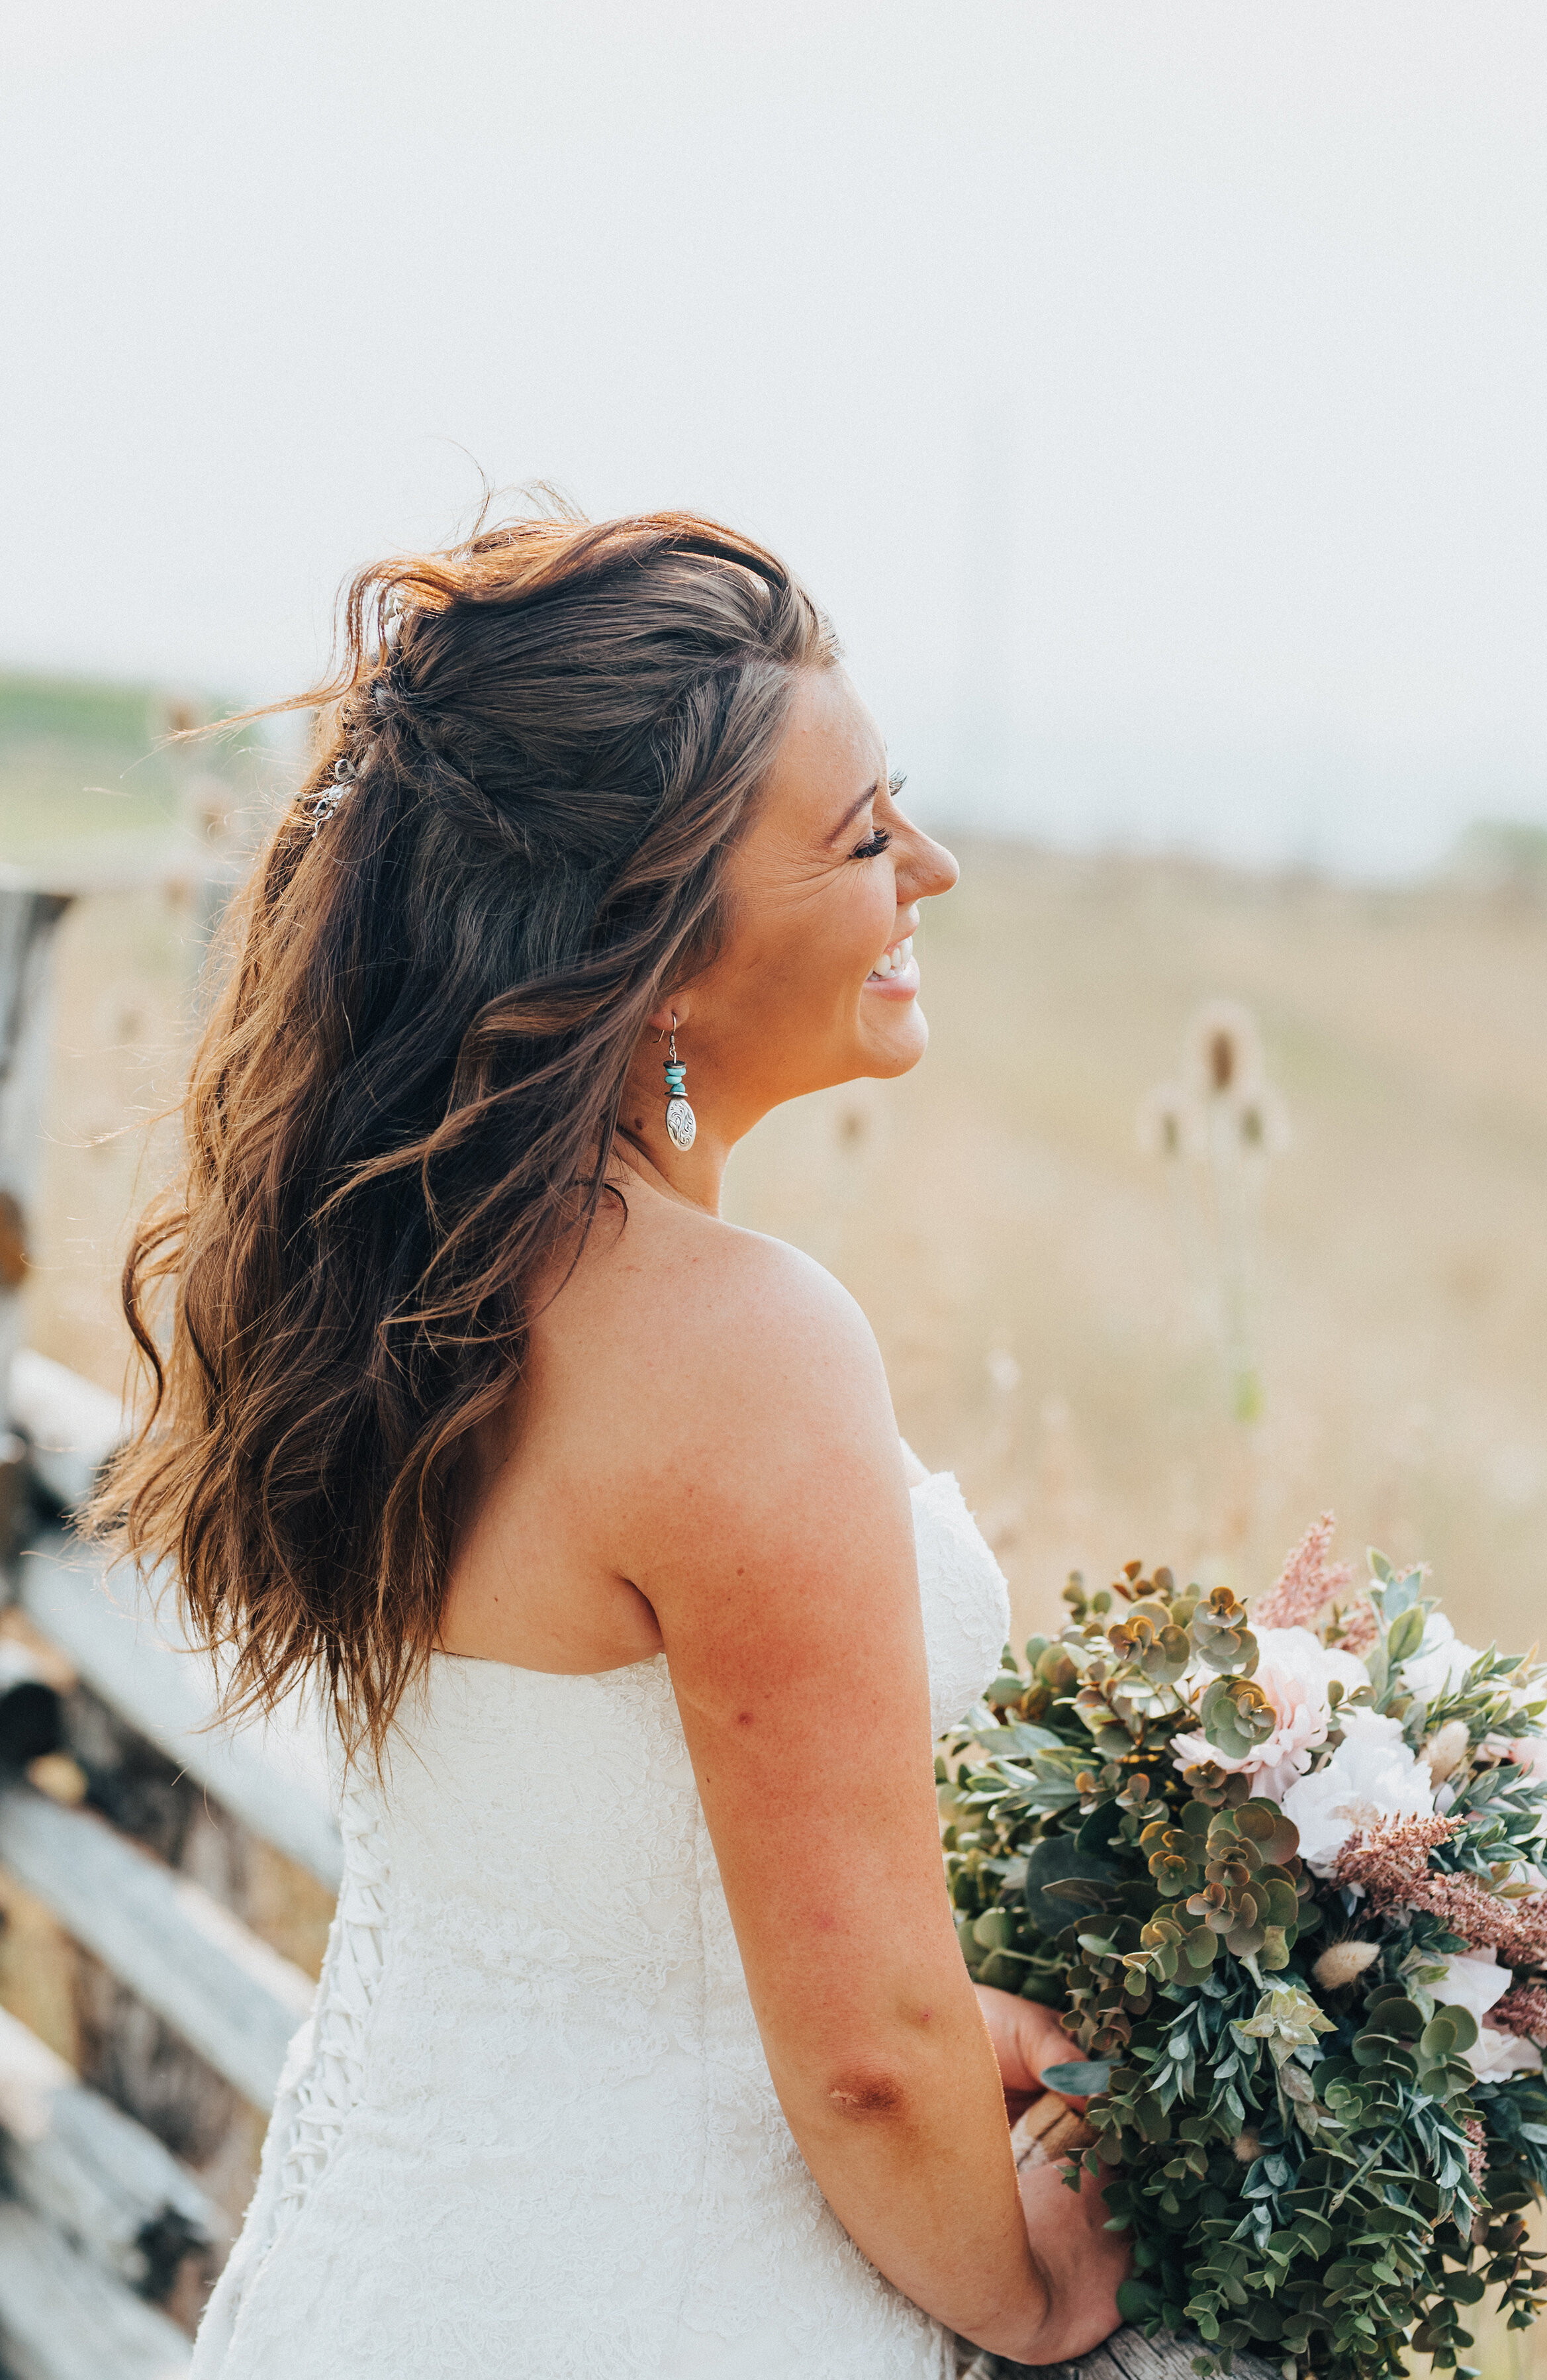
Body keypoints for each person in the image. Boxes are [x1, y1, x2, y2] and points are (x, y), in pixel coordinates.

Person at [103, 506, 1129, 2377]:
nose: (939, 867)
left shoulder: (400, 1285)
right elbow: (870, 2070)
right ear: (651, 948)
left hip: (379, 2285)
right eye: (861, 836)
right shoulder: (741, 1347)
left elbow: (576, 1867)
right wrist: (1047, 2296)